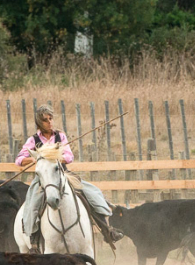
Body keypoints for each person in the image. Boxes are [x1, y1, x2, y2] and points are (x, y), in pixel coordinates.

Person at [16, 105, 123, 250]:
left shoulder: (60, 136)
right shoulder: (33, 140)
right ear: (39, 122)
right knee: (32, 203)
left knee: (92, 193)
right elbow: (19, 160)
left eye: (51, 118)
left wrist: (55, 157)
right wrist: (36, 159)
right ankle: (34, 241)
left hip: (63, 174)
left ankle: (107, 230)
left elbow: (69, 156)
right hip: (43, 179)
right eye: (46, 120)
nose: (50, 122)